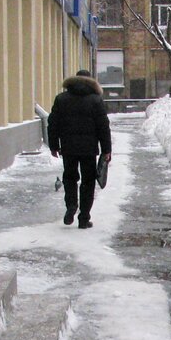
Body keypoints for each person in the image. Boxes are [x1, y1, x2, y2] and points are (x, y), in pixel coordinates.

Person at [47, 71, 111, 228]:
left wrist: (54, 145)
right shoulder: (96, 100)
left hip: (68, 148)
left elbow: (52, 124)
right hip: (89, 149)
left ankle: (71, 206)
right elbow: (103, 127)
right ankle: (83, 218)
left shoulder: (61, 99)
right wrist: (106, 149)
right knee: (88, 182)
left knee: (69, 178)